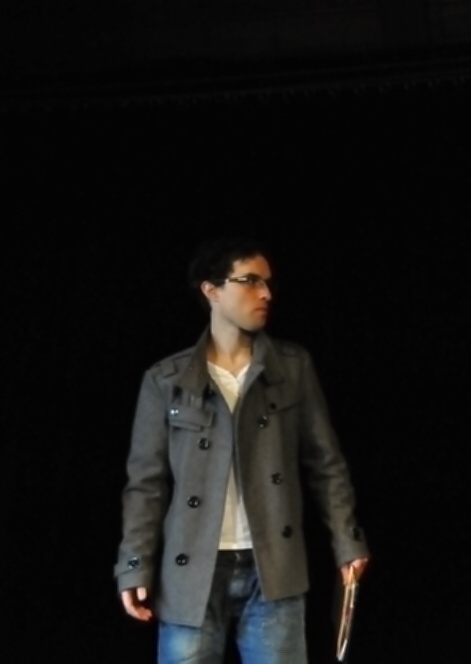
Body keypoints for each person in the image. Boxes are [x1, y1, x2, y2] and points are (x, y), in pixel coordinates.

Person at [114, 237, 370, 664]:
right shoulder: (166, 380)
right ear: (211, 290)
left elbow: (326, 465)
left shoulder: (292, 367)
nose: (265, 293)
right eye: (250, 281)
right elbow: (146, 485)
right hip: (190, 573)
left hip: (274, 568)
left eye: (268, 283)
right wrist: (134, 563)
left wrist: (347, 541)